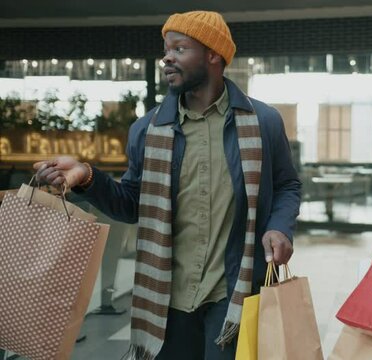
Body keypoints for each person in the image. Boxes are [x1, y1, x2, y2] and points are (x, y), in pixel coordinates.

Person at [34, 10, 301, 360]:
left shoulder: (262, 121)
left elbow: (286, 186)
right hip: (165, 299)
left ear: (213, 54)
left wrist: (280, 228)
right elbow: (131, 204)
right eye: (166, 50)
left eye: (179, 48)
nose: (167, 58)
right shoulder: (148, 129)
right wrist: (86, 175)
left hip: (233, 292)